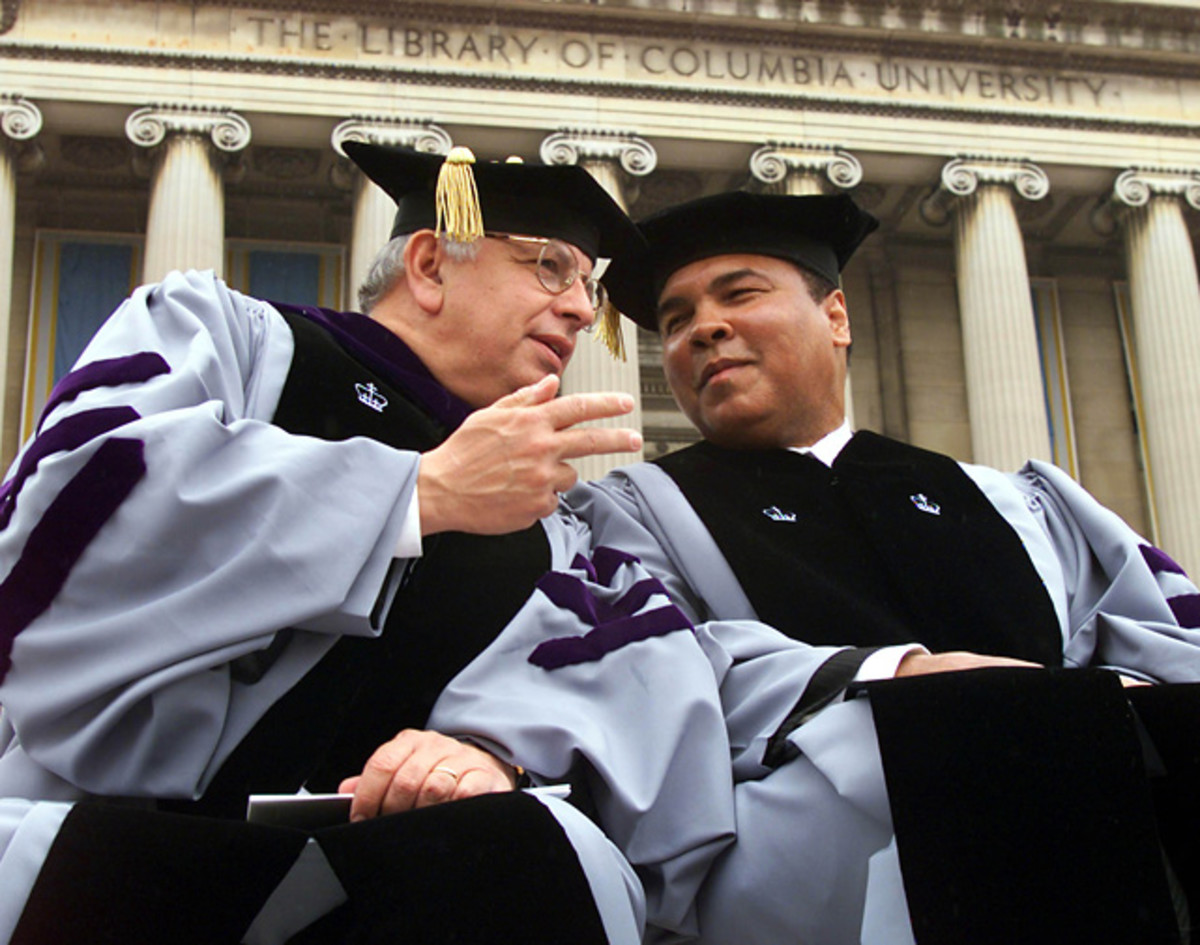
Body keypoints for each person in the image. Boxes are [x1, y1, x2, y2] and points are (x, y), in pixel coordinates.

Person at [372, 190, 1200, 944]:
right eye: (677, 316)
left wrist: (1109, 700)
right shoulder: (630, 512)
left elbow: (1157, 626)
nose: (702, 328)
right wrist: (906, 675)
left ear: (836, 315)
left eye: (739, 295)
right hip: (835, 874)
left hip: (1106, 848)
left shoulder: (1017, 501)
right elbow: (651, 670)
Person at [0, 141, 653, 944]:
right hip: (124, 855)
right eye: (551, 266)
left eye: (588, 286)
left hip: (420, 886)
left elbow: (608, 672)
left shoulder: (551, 512)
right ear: (429, 264)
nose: (583, 309)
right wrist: (414, 495)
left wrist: (493, 753)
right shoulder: (236, 343)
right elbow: (75, 504)